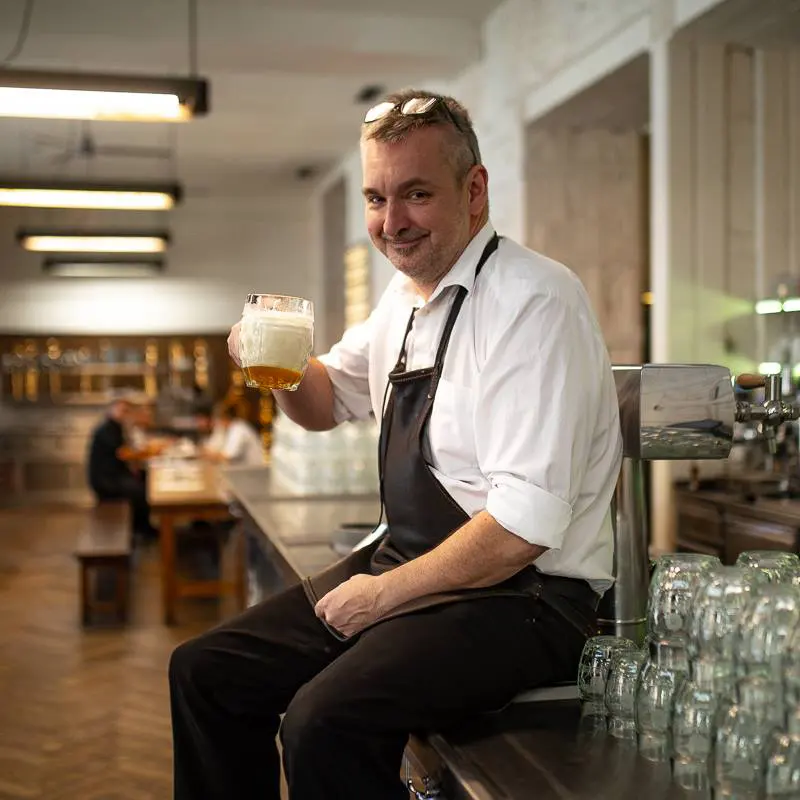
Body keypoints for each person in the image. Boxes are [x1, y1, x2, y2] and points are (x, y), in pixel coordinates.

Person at [168, 89, 623, 799]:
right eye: (377, 199)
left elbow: (524, 527)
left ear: (474, 191)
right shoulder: (404, 301)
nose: (392, 222)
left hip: (529, 600)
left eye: (415, 194)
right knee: (205, 672)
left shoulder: (534, 303)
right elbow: (325, 403)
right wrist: (280, 366)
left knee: (322, 722)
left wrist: (381, 597)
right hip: (416, 565)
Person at [86, 397, 157, 538]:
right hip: (105, 480)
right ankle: (141, 529)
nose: (124, 413)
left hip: (115, 474)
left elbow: (126, 451)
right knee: (139, 490)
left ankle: (142, 525)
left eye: (126, 411)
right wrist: (147, 453)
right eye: (121, 410)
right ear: (111, 409)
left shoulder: (116, 427)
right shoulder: (106, 429)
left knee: (145, 478)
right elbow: (123, 453)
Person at [198, 405, 265, 467]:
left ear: (225, 418)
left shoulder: (238, 428)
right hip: (245, 473)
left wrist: (206, 454)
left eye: (218, 419)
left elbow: (227, 457)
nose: (217, 423)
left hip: (253, 473)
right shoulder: (231, 429)